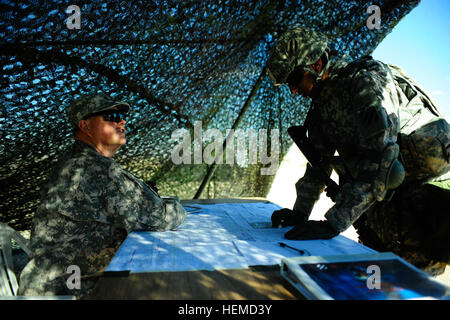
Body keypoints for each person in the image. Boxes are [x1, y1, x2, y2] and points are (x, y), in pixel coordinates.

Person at [267, 26, 450, 275]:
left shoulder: (366, 84)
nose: (294, 90)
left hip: (423, 203)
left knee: (407, 277)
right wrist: (300, 213)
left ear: (318, 64)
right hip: (384, 199)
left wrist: (333, 223)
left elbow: (382, 162)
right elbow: (318, 166)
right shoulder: (323, 104)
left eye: (295, 79)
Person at [18, 93, 187, 297]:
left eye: (122, 117)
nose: (122, 121)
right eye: (112, 116)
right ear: (85, 126)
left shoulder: (78, 160)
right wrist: (176, 204)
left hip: (59, 279)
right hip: (70, 289)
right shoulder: (93, 168)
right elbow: (160, 217)